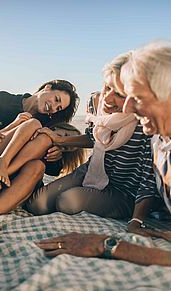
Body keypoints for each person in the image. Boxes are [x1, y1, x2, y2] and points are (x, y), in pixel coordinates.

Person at [37, 41, 171, 267]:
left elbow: (144, 179)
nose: (127, 108)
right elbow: (93, 138)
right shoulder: (160, 141)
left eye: (136, 97)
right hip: (98, 173)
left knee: (68, 201)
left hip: (124, 192)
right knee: (40, 203)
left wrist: (110, 245)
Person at [0, 80, 80, 219]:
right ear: (48, 87)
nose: (53, 108)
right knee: (34, 124)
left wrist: (56, 154)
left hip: (11, 186)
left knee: (38, 163)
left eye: (58, 108)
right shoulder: (2, 99)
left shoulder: (50, 124)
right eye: (56, 99)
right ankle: (2, 164)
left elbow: (53, 170)